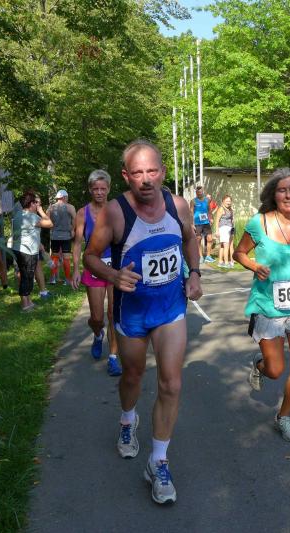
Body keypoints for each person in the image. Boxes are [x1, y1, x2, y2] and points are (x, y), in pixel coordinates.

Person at [84, 139, 202, 505]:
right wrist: (113, 275)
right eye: (138, 173)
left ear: (163, 172)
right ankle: (127, 419)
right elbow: (90, 256)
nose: (146, 179)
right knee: (133, 376)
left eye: (152, 171)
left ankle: (158, 461)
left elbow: (190, 239)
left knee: (171, 383)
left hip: (170, 308)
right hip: (132, 312)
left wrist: (195, 273)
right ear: (126, 176)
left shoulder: (177, 205)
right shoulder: (115, 213)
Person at [235, 168, 290, 442]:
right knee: (275, 370)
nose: (288, 195)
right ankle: (260, 365)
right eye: (282, 190)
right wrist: (254, 265)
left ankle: (283, 416)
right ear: (273, 194)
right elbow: (239, 252)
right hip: (268, 305)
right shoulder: (259, 223)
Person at [71, 170, 122, 376]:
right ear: (90, 190)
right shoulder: (82, 213)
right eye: (95, 189)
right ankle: (98, 333)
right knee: (97, 317)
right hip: (94, 267)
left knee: (113, 314)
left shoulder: (116, 209)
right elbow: (77, 243)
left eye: (103, 188)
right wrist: (76, 269)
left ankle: (113, 357)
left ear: (108, 189)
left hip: (114, 267)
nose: (99, 192)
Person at [10, 192, 53, 312]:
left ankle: (28, 301)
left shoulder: (19, 214)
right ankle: (25, 305)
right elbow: (50, 223)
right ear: (31, 203)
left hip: (18, 249)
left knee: (26, 276)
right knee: (27, 277)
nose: (37, 205)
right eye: (36, 203)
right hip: (28, 251)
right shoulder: (31, 216)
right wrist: (41, 211)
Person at [48, 189, 76, 284]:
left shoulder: (51, 208)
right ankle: (67, 279)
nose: (67, 199)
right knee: (66, 258)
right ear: (64, 197)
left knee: (54, 257)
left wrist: (52, 228)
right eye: (67, 197)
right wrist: (72, 229)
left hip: (54, 236)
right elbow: (75, 219)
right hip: (66, 236)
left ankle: (52, 279)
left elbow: (47, 219)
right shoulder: (70, 207)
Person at [191, 185, 215, 263]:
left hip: (206, 222)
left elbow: (209, 210)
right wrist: (192, 224)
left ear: (203, 192)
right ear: (196, 193)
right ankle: (200, 256)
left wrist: (211, 218)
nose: (199, 193)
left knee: (210, 239)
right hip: (197, 223)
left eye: (200, 192)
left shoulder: (207, 200)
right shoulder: (193, 201)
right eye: (198, 192)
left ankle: (208, 256)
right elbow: (191, 213)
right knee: (198, 239)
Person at [213, 195, 235, 267]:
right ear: (223, 201)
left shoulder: (230, 209)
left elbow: (232, 219)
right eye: (227, 201)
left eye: (229, 201)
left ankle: (223, 261)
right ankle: (226, 263)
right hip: (224, 228)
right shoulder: (221, 209)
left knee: (227, 245)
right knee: (226, 246)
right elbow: (217, 220)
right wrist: (217, 231)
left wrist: (233, 227)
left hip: (230, 228)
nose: (228, 202)